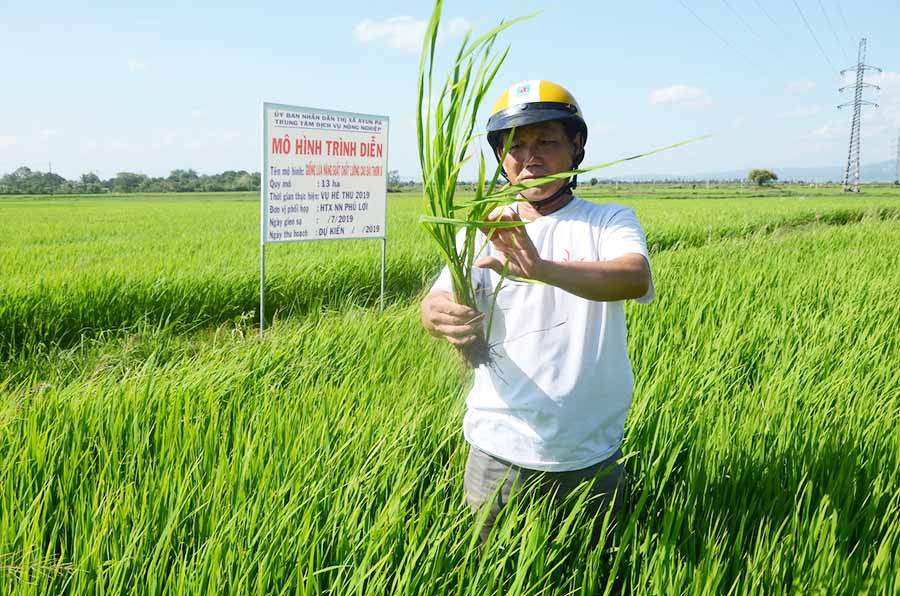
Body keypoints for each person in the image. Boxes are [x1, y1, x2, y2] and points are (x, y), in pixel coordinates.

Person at [420, 80, 655, 543]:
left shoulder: (608, 220)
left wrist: (541, 268)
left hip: (589, 449)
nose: (530, 155)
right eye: (514, 145)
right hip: (496, 446)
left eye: (546, 140)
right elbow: (434, 302)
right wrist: (436, 314)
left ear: (577, 146)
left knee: (592, 569)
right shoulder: (477, 231)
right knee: (491, 572)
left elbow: (634, 277)